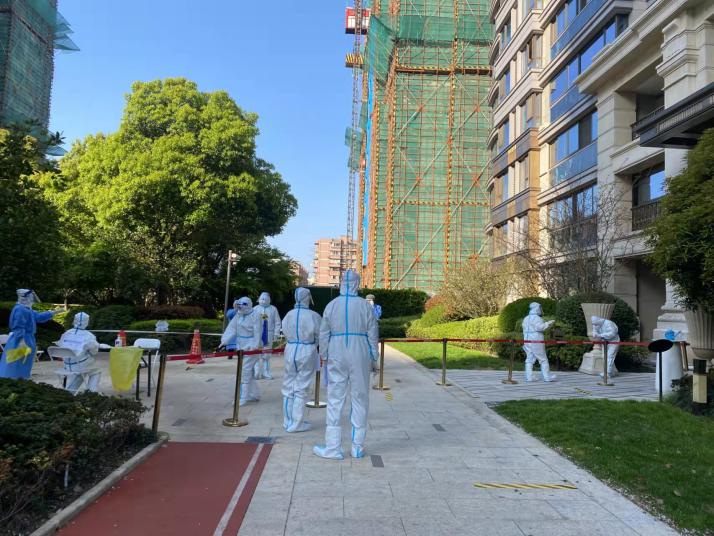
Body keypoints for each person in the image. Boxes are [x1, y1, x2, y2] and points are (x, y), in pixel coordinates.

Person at [314, 269, 379, 460]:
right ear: (357, 284)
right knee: (360, 397)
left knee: (335, 397)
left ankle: (333, 447)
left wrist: (324, 354)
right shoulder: (365, 306)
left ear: (342, 283)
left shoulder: (332, 305)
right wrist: (374, 357)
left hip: (336, 350)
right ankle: (357, 447)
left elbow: (324, 333)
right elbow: (373, 333)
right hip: (360, 351)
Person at [282, 288, 321, 433]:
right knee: (302, 386)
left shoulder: (289, 314)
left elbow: (284, 331)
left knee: (288, 386)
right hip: (307, 350)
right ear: (307, 298)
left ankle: (287, 421)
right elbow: (320, 335)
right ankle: (296, 423)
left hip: (290, 349)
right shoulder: (313, 316)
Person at [0, 289, 63, 379]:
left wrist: (52, 313)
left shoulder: (26, 309)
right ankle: (12, 380)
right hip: (21, 339)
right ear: (25, 298)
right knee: (16, 362)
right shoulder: (20, 310)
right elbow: (18, 326)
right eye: (30, 297)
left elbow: (38, 317)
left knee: (25, 363)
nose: (32, 299)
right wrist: (21, 340)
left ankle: (22, 380)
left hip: (28, 339)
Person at [220, 297, 262, 405]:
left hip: (251, 347)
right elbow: (232, 328)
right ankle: (254, 394)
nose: (240, 308)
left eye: (242, 306)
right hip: (241, 346)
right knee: (248, 372)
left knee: (244, 372)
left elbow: (258, 331)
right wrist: (224, 341)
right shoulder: (239, 314)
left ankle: (242, 397)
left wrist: (254, 346)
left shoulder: (256, 315)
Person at [57, 312, 101, 393]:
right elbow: (94, 352)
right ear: (87, 322)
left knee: (82, 368)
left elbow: (60, 345)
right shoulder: (89, 335)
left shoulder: (67, 333)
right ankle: (92, 392)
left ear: (74, 321)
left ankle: (71, 391)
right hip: (79, 365)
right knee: (96, 370)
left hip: (66, 365)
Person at [522, 302, 556, 382]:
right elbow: (540, 327)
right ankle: (547, 377)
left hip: (527, 340)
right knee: (543, 359)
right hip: (536, 340)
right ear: (537, 308)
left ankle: (529, 377)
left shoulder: (526, 318)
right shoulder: (537, 318)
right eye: (540, 308)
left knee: (529, 359)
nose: (541, 310)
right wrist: (548, 323)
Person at [253, 292, 281, 380]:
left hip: (269, 333)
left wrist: (276, 333)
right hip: (257, 334)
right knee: (256, 353)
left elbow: (277, 322)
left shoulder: (273, 309)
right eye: (261, 299)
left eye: (265, 299)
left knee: (267, 354)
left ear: (269, 300)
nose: (263, 300)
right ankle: (256, 372)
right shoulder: (255, 309)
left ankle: (266, 372)